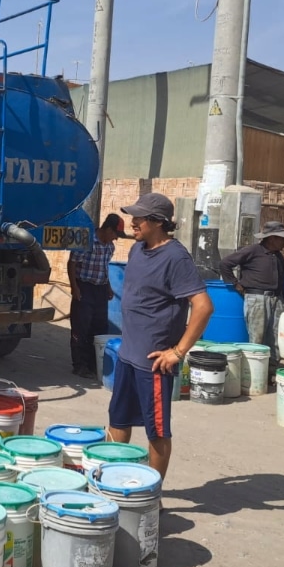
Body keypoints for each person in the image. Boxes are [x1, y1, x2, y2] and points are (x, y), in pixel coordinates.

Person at [107, 193, 212, 482]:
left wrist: (177, 352)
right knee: (117, 420)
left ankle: (153, 496)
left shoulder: (176, 257)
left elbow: (203, 306)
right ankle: (110, 481)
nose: (133, 222)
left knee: (157, 431)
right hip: (127, 355)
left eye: (138, 218)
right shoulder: (137, 249)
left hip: (153, 363)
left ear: (157, 222)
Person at [219, 221, 284, 369]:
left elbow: (283, 279)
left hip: (277, 299)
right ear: (272, 238)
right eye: (282, 238)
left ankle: (271, 370)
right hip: (257, 298)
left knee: (276, 338)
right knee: (257, 338)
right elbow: (225, 264)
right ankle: (254, 371)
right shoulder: (253, 251)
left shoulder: (278, 256)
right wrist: (235, 284)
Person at [67, 214, 131, 379]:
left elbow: (104, 268)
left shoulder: (110, 247)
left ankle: (93, 365)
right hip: (84, 287)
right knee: (81, 328)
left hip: (100, 289)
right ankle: (79, 365)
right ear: (108, 229)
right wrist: (75, 288)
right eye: (115, 234)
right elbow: (72, 263)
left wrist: (108, 287)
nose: (116, 239)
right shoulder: (87, 241)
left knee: (99, 328)